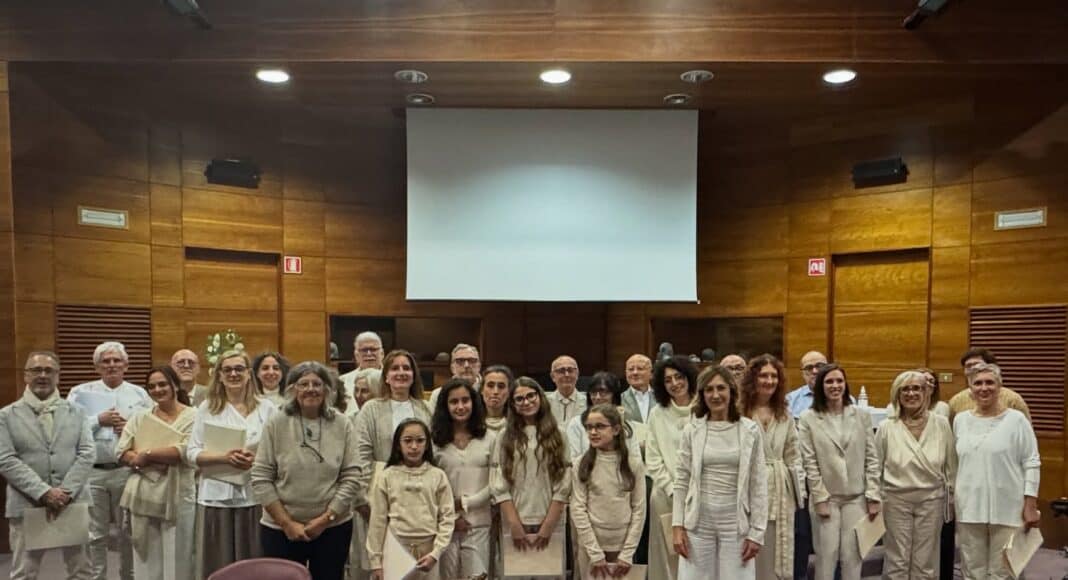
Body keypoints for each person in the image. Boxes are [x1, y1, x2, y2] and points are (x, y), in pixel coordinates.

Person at [251, 361, 360, 580]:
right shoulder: (276, 422)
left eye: (317, 384)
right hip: (280, 529)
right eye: (303, 384)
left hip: (332, 527)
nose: (311, 389)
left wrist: (326, 519)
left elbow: (352, 475)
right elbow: (261, 477)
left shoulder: (343, 424)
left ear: (327, 390)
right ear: (292, 390)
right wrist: (286, 523)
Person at [0, 351, 95, 580]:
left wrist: (65, 492)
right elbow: (6, 459)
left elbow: (87, 453)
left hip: (72, 501)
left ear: (58, 376)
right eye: (36, 370)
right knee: (24, 573)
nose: (42, 375)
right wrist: (44, 492)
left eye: (49, 370)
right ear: (25, 375)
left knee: (82, 572)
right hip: (27, 502)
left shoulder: (78, 412)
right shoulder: (6, 416)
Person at [186, 349, 277, 578]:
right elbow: (192, 452)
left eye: (239, 369)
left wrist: (256, 460)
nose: (233, 374)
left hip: (255, 495)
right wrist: (224, 458)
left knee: (253, 562)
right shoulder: (207, 408)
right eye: (227, 370)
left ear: (249, 373)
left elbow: (279, 451)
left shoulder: (267, 408)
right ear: (219, 375)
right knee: (218, 562)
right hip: (216, 496)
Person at [672, 365, 767, 580]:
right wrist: (677, 526)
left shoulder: (750, 430)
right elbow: (682, 480)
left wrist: (756, 533)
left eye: (721, 388)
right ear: (702, 395)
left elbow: (759, 484)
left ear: (732, 391)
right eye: (709, 389)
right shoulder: (691, 430)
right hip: (698, 522)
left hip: (736, 523)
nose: (715, 395)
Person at [68, 341, 152, 580]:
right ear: (97, 366)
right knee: (95, 533)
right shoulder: (79, 393)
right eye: (106, 361)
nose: (112, 365)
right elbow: (68, 428)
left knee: (128, 531)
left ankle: (129, 576)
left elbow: (152, 429)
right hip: (92, 473)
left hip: (127, 471)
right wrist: (97, 420)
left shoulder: (140, 394)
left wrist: (130, 429)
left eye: (117, 360)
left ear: (126, 365)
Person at [953, 362, 1040, 580]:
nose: (984, 388)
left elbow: (1031, 461)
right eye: (978, 383)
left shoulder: (1016, 420)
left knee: (1003, 572)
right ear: (970, 389)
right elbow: (955, 463)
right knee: (972, 570)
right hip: (969, 508)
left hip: (1008, 508)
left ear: (1000, 386)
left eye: (990, 382)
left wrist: (1030, 504)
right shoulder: (960, 421)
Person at [798, 364, 881, 580]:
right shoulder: (808, 418)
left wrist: (873, 495)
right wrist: (819, 498)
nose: (835, 386)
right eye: (829, 381)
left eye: (839, 381)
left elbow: (872, 458)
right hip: (827, 499)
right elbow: (809, 462)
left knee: (853, 558)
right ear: (821, 386)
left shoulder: (861, 415)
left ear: (845, 384)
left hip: (856, 498)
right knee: (826, 558)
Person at [115, 366, 196, 580]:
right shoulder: (139, 418)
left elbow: (185, 451)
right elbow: (121, 451)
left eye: (162, 384)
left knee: (178, 558)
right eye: (152, 386)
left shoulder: (194, 416)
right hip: (143, 496)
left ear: (175, 385)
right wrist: (140, 459)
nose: (157, 390)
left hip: (178, 495)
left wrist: (146, 455)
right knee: (145, 560)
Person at [875, 370, 957, 580]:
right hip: (895, 501)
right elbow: (875, 467)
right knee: (897, 560)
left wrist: (952, 500)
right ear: (897, 393)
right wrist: (874, 498)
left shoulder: (941, 424)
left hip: (932, 501)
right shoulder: (886, 427)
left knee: (925, 561)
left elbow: (951, 467)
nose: (911, 393)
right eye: (905, 389)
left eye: (917, 388)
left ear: (926, 392)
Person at [492, 377, 571, 573]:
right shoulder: (504, 436)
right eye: (519, 399)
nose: (526, 402)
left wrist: (548, 525)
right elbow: (498, 482)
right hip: (515, 520)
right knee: (516, 575)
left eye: (531, 396)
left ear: (540, 397)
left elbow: (564, 482)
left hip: (551, 521)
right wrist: (514, 523)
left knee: (549, 575)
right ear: (512, 404)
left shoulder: (559, 434)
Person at [738, 354, 803, 580]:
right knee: (749, 548)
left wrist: (798, 493)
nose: (769, 381)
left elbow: (793, 454)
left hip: (780, 488)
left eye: (774, 376)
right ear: (752, 379)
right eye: (763, 375)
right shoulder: (739, 411)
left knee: (776, 547)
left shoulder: (784, 413)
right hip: (748, 487)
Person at [367, 419, 456, 580]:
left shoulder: (437, 476)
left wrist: (436, 553)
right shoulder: (387, 476)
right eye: (408, 441)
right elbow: (377, 522)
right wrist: (376, 562)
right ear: (398, 444)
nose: (414, 446)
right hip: (396, 549)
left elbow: (447, 517)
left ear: (427, 444)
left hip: (429, 550)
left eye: (420, 441)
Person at [571, 404, 647, 579]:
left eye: (600, 426)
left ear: (616, 429)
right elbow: (578, 508)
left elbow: (639, 509)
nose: (593, 432)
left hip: (623, 546)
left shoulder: (633, 464)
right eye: (589, 427)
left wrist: (627, 552)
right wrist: (595, 552)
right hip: (591, 547)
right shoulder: (582, 464)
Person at [431, 378, 497, 580]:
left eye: (465, 400)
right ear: (445, 406)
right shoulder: (434, 441)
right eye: (454, 402)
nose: (460, 407)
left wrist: (465, 503)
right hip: (444, 527)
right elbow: (430, 486)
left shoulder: (490, 438)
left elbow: (496, 482)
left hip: (479, 523)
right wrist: (451, 517)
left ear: (474, 402)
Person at [645, 355, 698, 580]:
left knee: (697, 557)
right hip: (665, 496)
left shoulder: (704, 409)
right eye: (668, 380)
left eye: (679, 377)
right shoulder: (657, 413)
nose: (675, 383)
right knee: (668, 558)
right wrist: (674, 490)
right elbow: (653, 459)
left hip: (699, 496)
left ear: (689, 377)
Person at [565, 371, 644, 461]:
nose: (597, 397)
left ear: (614, 395)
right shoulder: (576, 423)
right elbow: (573, 459)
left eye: (603, 392)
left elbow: (636, 458)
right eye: (593, 393)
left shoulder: (626, 424)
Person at [948, 348, 1031, 421]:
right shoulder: (956, 401)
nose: (973, 369)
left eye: (977, 364)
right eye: (968, 366)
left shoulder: (1013, 400)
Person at [428, 343, 483, 409]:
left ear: (479, 366)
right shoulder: (438, 394)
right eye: (460, 361)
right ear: (452, 368)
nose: (466, 365)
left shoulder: (489, 392)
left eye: (472, 361)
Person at [339, 331, 385, 398]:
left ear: (382, 353)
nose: (369, 353)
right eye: (364, 350)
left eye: (373, 349)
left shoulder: (392, 379)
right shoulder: (343, 381)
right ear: (356, 355)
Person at [785, 351, 829, 419]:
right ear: (803, 374)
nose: (815, 371)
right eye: (809, 368)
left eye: (819, 366)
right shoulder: (790, 400)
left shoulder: (843, 398)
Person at [547, 355, 587, 426]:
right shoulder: (545, 403)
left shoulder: (588, 402)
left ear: (577, 374)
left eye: (570, 370)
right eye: (561, 371)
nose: (566, 375)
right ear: (553, 377)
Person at [621, 354, 655, 424]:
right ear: (626, 373)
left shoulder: (661, 398)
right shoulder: (619, 399)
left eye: (640, 369)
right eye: (631, 369)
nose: (635, 373)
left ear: (651, 373)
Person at [481, 365, 513, 434]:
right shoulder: (470, 423)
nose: (495, 391)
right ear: (482, 390)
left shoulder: (518, 425)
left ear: (509, 392)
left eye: (501, 386)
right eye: (490, 386)